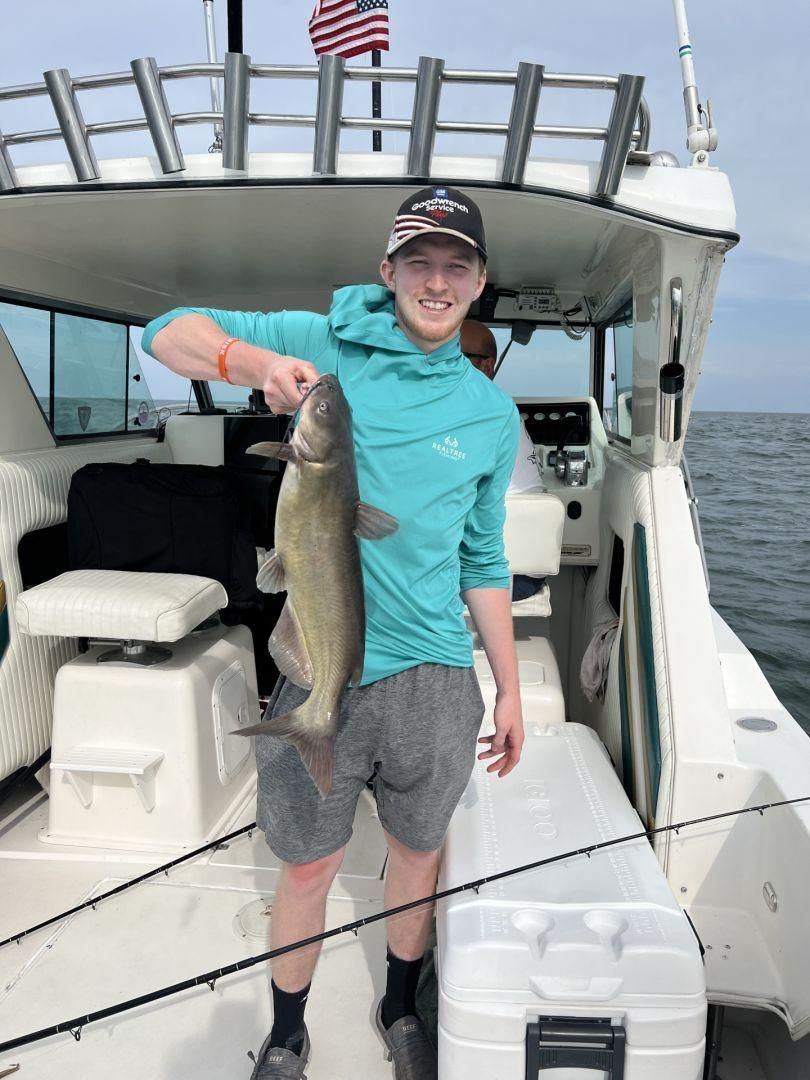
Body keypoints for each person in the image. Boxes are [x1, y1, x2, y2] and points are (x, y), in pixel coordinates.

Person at [143, 185, 524, 1080]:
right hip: (319, 669)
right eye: (419, 263)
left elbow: (484, 559)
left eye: (456, 266)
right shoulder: (326, 342)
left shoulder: (490, 416)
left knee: (415, 857)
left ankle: (399, 1006)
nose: (437, 281)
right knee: (308, 868)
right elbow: (165, 329)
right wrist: (248, 362)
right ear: (388, 272)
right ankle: (286, 1030)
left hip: (433, 676)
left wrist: (507, 686)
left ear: (477, 284)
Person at [460, 319, 547, 602]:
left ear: (486, 365)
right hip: (519, 565)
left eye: (458, 357)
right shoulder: (496, 406)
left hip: (504, 573)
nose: (442, 364)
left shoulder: (483, 413)